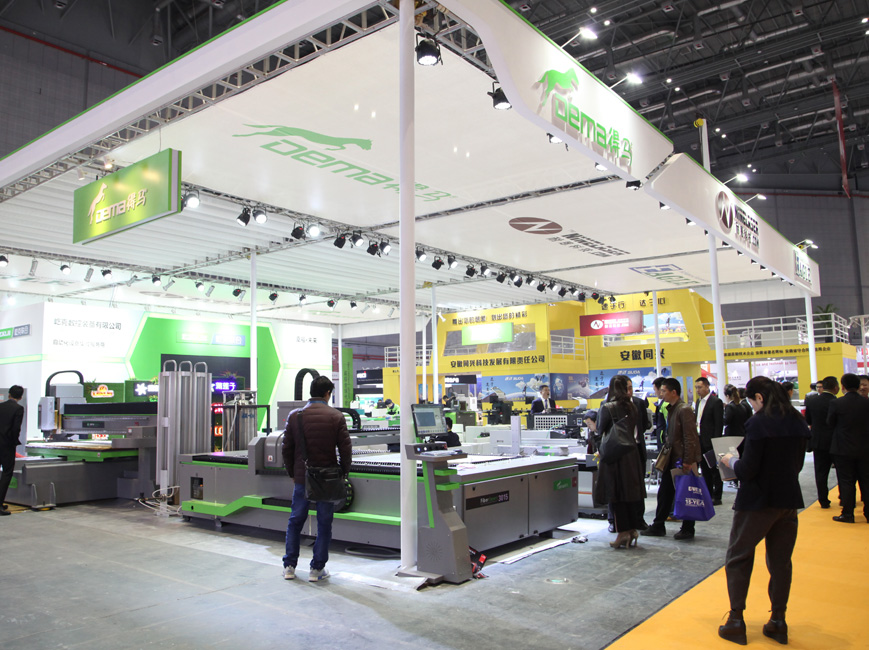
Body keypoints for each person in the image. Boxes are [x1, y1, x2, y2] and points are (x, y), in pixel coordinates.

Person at [718, 377, 810, 646]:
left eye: (751, 401)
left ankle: (736, 620)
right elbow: (798, 465)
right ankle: (778, 621)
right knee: (781, 562)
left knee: (738, 557)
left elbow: (747, 470)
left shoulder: (758, 423)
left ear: (759, 397)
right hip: (788, 500)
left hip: (756, 502)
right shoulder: (796, 419)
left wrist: (730, 461)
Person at [281, 376, 352, 582]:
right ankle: (317, 569)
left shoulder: (295, 416)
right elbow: (345, 449)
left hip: (302, 478)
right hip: (327, 479)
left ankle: (289, 567)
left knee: (295, 520)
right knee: (324, 523)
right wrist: (344, 472)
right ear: (328, 393)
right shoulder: (336, 416)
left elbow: (286, 448)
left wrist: (293, 474)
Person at [641, 378, 701, 541]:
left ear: (673, 392)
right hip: (673, 458)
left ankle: (687, 528)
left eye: (664, 391)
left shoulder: (684, 410)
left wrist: (687, 460)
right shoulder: (673, 409)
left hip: (681, 460)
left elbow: (690, 437)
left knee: (686, 493)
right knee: (665, 493)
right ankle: (659, 524)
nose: (661, 394)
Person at [594, 375, 646, 549]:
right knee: (629, 494)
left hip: (614, 456)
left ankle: (622, 533)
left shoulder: (607, 407)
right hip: (631, 455)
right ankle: (632, 530)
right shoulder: (633, 406)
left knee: (615, 494)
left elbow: (600, 430)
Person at [826, 373, 869, 523]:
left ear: (843, 386)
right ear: (858, 386)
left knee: (846, 481)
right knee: (866, 481)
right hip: (865, 448)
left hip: (842, 448)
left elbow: (830, 423)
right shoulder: (866, 403)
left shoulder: (837, 403)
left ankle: (848, 513)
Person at [804, 376, 839, 508]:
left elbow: (808, 420)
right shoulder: (837, 402)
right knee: (842, 471)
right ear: (836, 387)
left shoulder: (812, 401)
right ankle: (844, 498)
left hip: (818, 441)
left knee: (820, 472)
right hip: (836, 441)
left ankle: (823, 500)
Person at [695, 377, 724, 506]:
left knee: (715, 470)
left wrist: (716, 441)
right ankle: (708, 494)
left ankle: (717, 496)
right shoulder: (698, 402)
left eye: (700, 387)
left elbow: (719, 424)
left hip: (711, 440)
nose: (698, 390)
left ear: (707, 387)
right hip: (700, 439)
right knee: (704, 469)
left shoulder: (715, 402)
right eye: (696, 387)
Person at [0, 385, 25, 515]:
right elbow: (16, 428)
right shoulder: (18, 409)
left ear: (9, 394)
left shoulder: (0, 406)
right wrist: (14, 442)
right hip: (7, 445)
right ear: (21, 397)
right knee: (6, 473)